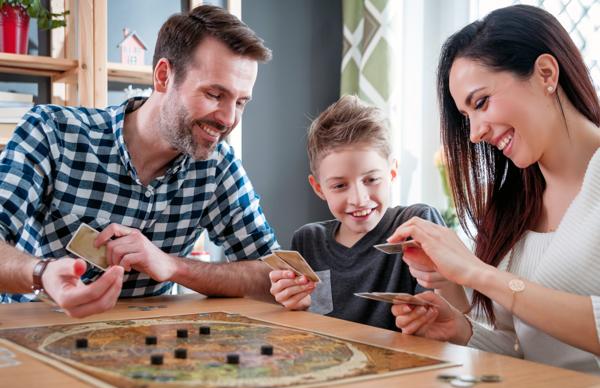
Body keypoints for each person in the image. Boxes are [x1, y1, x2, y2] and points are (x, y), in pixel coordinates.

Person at [0, 5, 279, 317]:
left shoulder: (218, 165)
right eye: (215, 95)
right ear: (163, 76)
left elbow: (272, 274)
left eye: (241, 102)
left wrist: (172, 266)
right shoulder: (52, 132)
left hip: (148, 352)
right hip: (37, 336)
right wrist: (42, 274)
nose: (229, 119)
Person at [389, 5, 600, 373]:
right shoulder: (511, 207)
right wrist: (462, 329)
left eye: (481, 102)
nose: (474, 134)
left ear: (546, 74)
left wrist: (476, 272)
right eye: (466, 116)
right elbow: (524, 350)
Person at [268, 95, 468, 331]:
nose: (359, 199)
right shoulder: (308, 240)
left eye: (372, 179)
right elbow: (308, 325)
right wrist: (295, 305)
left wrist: (446, 288)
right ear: (319, 188)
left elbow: (452, 319)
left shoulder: (417, 225)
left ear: (392, 172)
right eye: (340, 186)